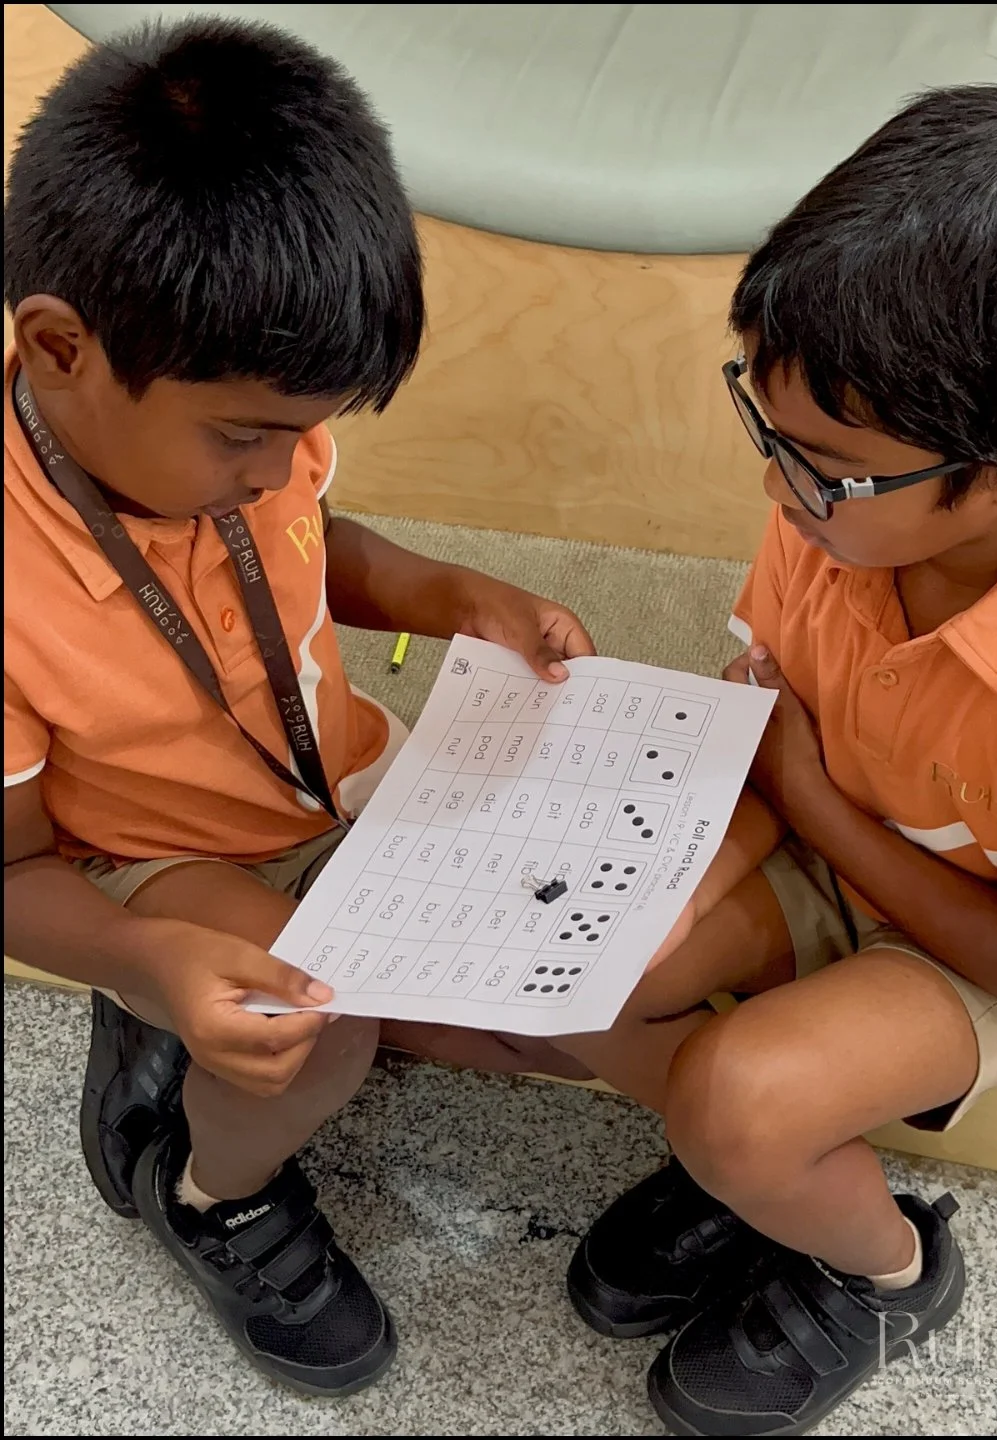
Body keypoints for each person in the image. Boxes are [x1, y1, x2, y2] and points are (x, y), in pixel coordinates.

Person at [3, 16, 600, 1397]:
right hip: (154, 856)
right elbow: (15, 874)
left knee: (569, 943)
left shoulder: (240, 417)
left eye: (302, 432)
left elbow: (310, 542)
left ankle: (185, 1013)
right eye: (244, 436)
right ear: (59, 346)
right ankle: (214, 1193)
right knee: (318, 1031)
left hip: (337, 772)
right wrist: (148, 959)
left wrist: (451, 594)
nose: (280, 469)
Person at [564, 83, 997, 1436]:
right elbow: (766, 719)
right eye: (771, 435)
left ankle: (884, 1268)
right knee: (579, 962)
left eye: (829, 468)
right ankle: (761, 1170)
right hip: (834, 828)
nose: (779, 492)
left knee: (738, 1098)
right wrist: (675, 866)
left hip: (995, 942)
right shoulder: (839, 515)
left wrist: (804, 794)